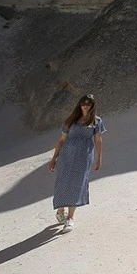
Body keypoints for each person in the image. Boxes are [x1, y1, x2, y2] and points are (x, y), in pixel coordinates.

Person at [48, 94, 106, 233]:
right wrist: (54, 158)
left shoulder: (96, 121)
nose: (85, 105)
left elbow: (98, 140)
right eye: (83, 103)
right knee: (63, 183)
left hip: (83, 157)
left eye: (88, 103)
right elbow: (61, 140)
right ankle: (60, 210)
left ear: (92, 106)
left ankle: (70, 218)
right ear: (79, 105)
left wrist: (99, 158)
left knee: (77, 184)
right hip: (66, 156)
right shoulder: (70, 121)